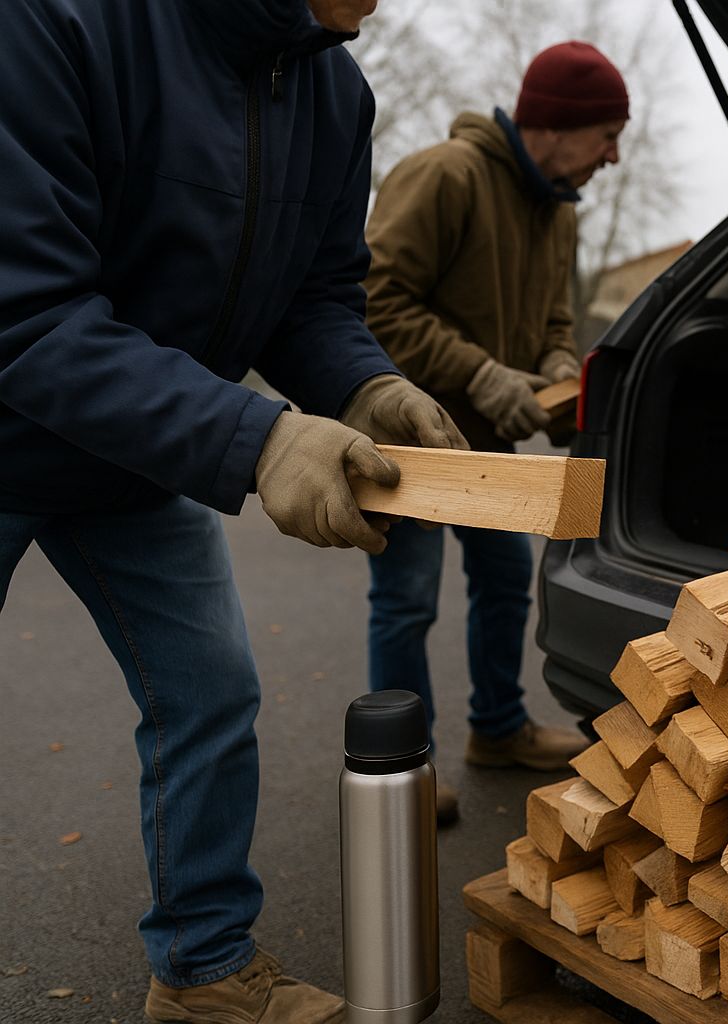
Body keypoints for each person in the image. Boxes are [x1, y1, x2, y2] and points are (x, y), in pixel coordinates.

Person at [0, 0, 466, 1020]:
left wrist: (363, 386)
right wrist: (257, 438)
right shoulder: (56, 21)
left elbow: (318, 301)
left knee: (210, 696)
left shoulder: (336, 93)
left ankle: (203, 969)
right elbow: (25, 309)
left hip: (134, 456)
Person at [362, 41, 627, 820]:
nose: (612, 157)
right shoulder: (445, 175)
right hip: (407, 427)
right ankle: (401, 774)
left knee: (508, 575)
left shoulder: (559, 207)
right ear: (555, 126)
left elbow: (553, 317)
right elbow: (375, 301)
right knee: (407, 598)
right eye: (606, 135)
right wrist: (479, 371)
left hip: (487, 441)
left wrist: (550, 360)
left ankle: (498, 730)